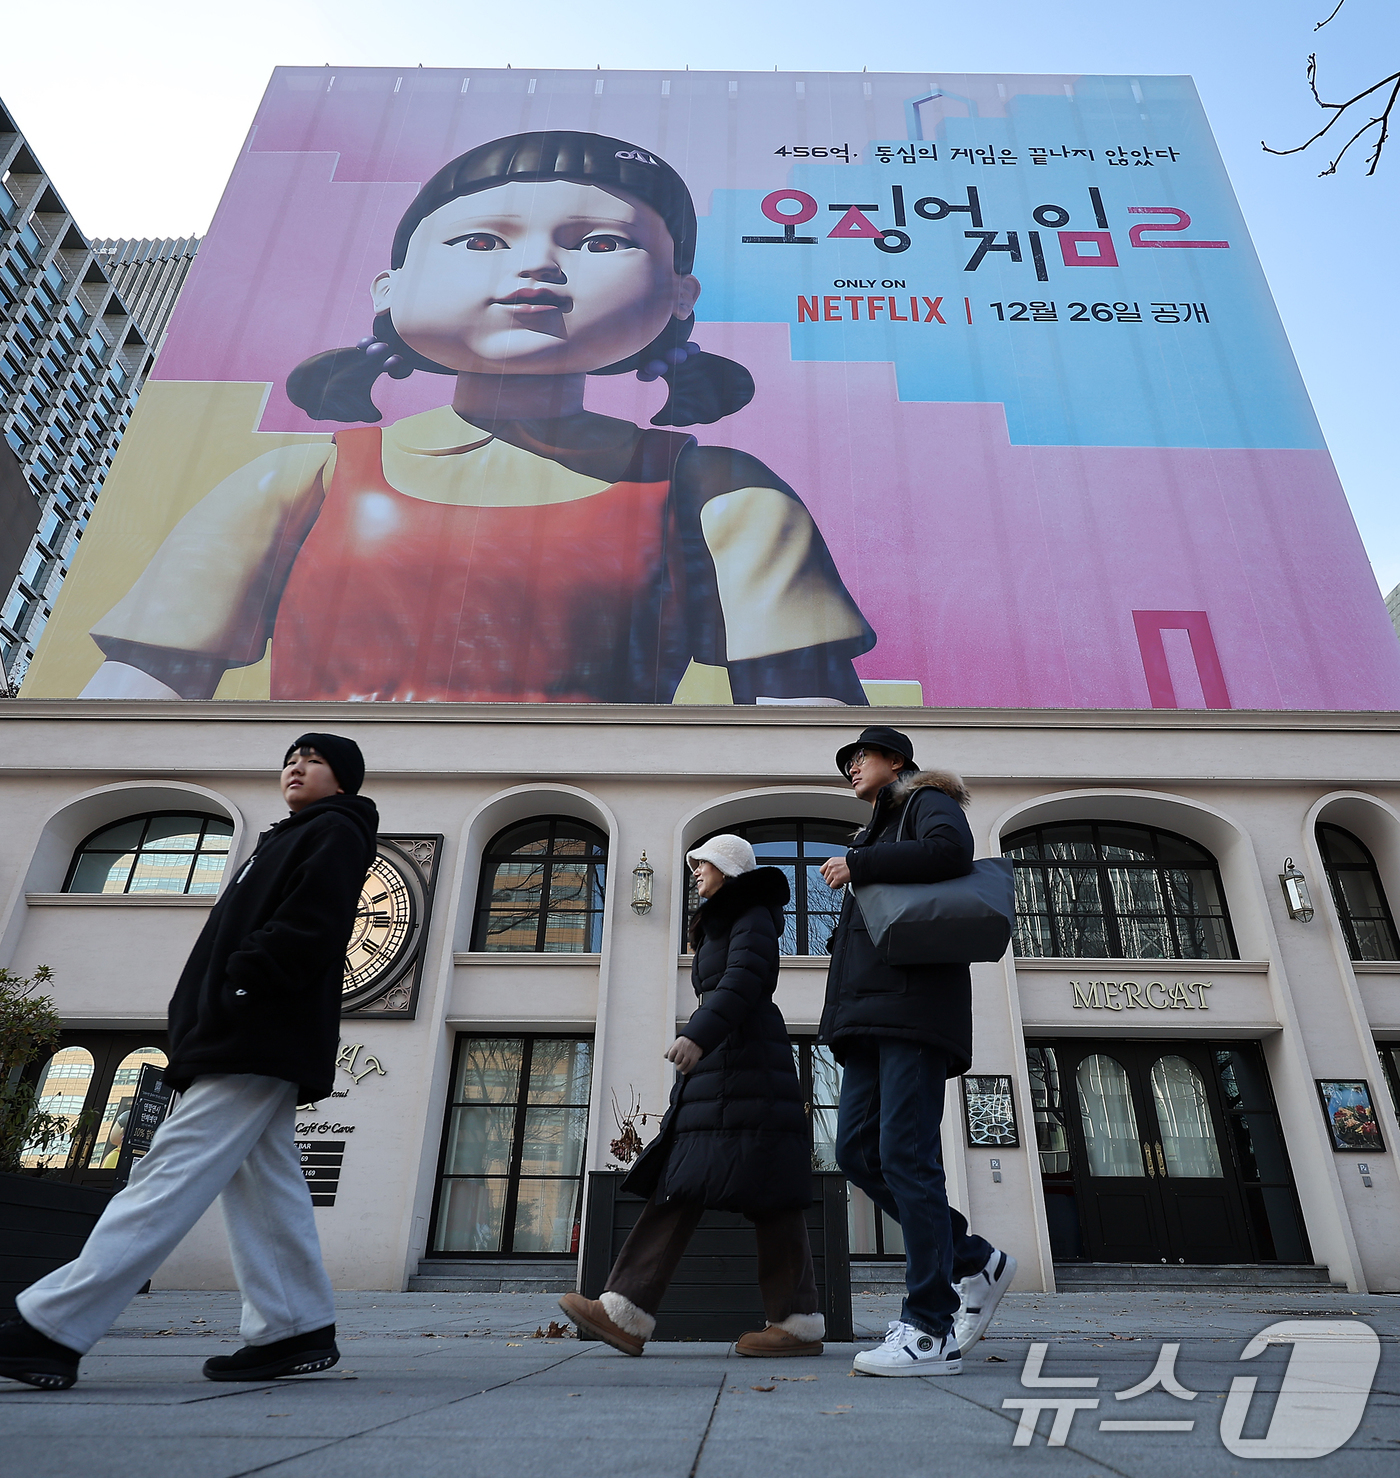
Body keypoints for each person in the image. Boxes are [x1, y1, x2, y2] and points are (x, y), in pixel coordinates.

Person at [80, 130, 875, 708]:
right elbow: (137, 695)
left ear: (680, 296)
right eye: (479, 240)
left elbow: (804, 725)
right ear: (388, 288)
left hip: (591, 831)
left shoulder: (719, 492)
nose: (537, 266)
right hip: (307, 830)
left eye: (600, 241)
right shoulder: (300, 478)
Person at [0, 734, 378, 1391]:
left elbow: (314, 924)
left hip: (256, 1028)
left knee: (165, 1175)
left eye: (313, 760)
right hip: (248, 1028)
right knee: (267, 1185)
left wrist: (243, 984)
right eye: (290, 756)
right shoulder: (285, 837)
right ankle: (294, 1328)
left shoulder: (334, 833)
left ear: (342, 781)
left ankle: (52, 1328)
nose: (295, 765)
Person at [559, 834, 825, 1357]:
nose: (696, 873)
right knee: (739, 1191)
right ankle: (794, 1323)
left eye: (702, 864)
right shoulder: (732, 918)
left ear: (727, 868)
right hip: (734, 1068)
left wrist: (699, 1032)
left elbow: (747, 980)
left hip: (743, 1066)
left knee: (696, 1187)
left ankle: (626, 1313)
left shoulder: (749, 915)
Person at [818, 726, 1016, 1377]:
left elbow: (950, 852)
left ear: (895, 760)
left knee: (905, 1153)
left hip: (913, 1014)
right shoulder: (875, 831)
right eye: (846, 761)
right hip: (872, 1020)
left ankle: (928, 1327)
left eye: (860, 756)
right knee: (856, 1150)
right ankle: (973, 1259)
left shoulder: (925, 802)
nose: (851, 767)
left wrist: (862, 866)